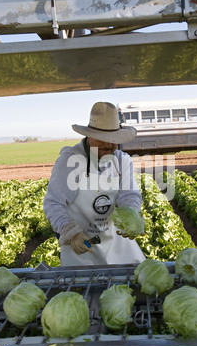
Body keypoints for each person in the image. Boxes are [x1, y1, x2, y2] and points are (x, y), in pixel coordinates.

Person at [43, 101, 145, 266]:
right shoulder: (71, 161)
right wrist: (70, 232)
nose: (110, 146)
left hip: (114, 240)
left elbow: (129, 194)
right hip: (83, 244)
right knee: (83, 286)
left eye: (114, 140)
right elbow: (53, 203)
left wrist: (131, 215)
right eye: (104, 139)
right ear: (89, 136)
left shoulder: (121, 160)